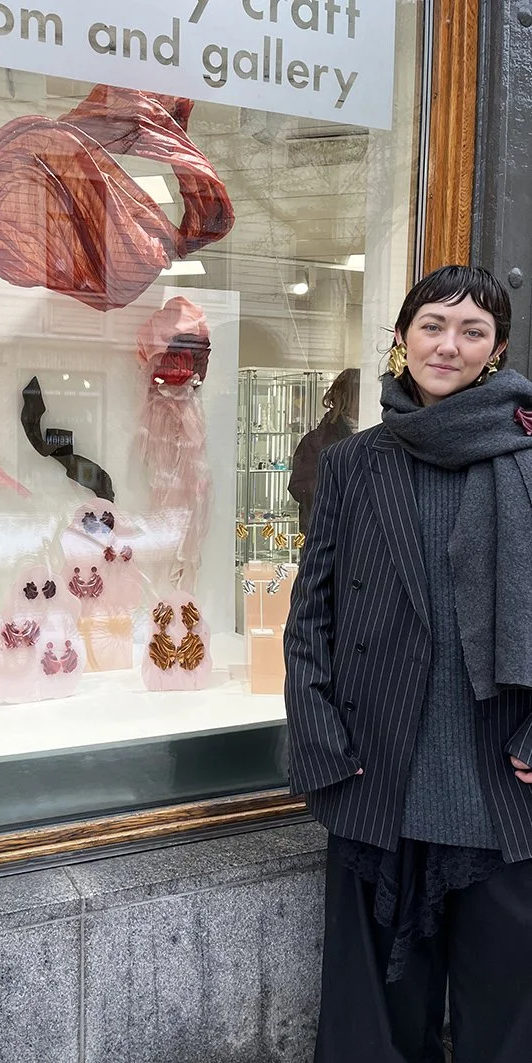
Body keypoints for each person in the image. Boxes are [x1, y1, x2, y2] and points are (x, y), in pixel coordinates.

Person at [283, 265, 532, 1063]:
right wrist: (324, 744)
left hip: (501, 781)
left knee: (509, 1019)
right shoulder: (354, 462)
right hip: (378, 772)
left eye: (472, 330)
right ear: (401, 336)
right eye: (432, 325)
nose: (448, 345)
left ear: (496, 350)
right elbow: (310, 616)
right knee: (374, 1026)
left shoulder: (527, 457)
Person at [288, 368, 360, 534]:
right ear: (346, 398)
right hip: (329, 532)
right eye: (359, 394)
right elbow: (302, 489)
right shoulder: (316, 441)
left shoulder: (379, 432)